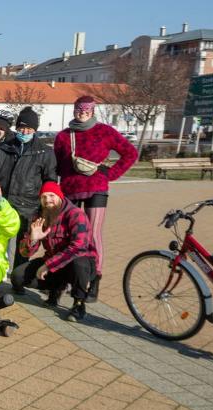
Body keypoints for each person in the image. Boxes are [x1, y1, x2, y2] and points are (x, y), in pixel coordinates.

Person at [53, 95, 138, 302]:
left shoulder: (105, 131)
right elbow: (56, 165)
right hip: (69, 189)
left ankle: (95, 280)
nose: (82, 113)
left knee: (93, 234)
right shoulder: (64, 136)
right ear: (74, 111)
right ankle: (65, 276)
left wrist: (111, 174)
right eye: (79, 109)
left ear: (92, 111)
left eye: (86, 110)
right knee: (67, 234)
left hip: (96, 189)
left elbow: (130, 153)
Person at [0, 107, 57, 270]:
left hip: (28, 206)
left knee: (24, 245)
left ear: (35, 130)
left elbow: (50, 180)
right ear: (16, 128)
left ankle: (19, 278)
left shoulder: (45, 152)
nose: (24, 131)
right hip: (3, 202)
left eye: (29, 129)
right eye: (21, 128)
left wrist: (45, 208)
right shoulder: (3, 147)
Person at [11, 182, 97, 322]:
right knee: (17, 276)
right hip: (54, 263)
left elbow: (78, 247)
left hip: (79, 263)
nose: (47, 200)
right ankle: (56, 288)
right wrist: (33, 239)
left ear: (60, 196)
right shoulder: (40, 216)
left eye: (51, 195)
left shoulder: (76, 214)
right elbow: (25, 253)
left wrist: (48, 265)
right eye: (43, 197)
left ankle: (78, 304)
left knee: (79, 263)